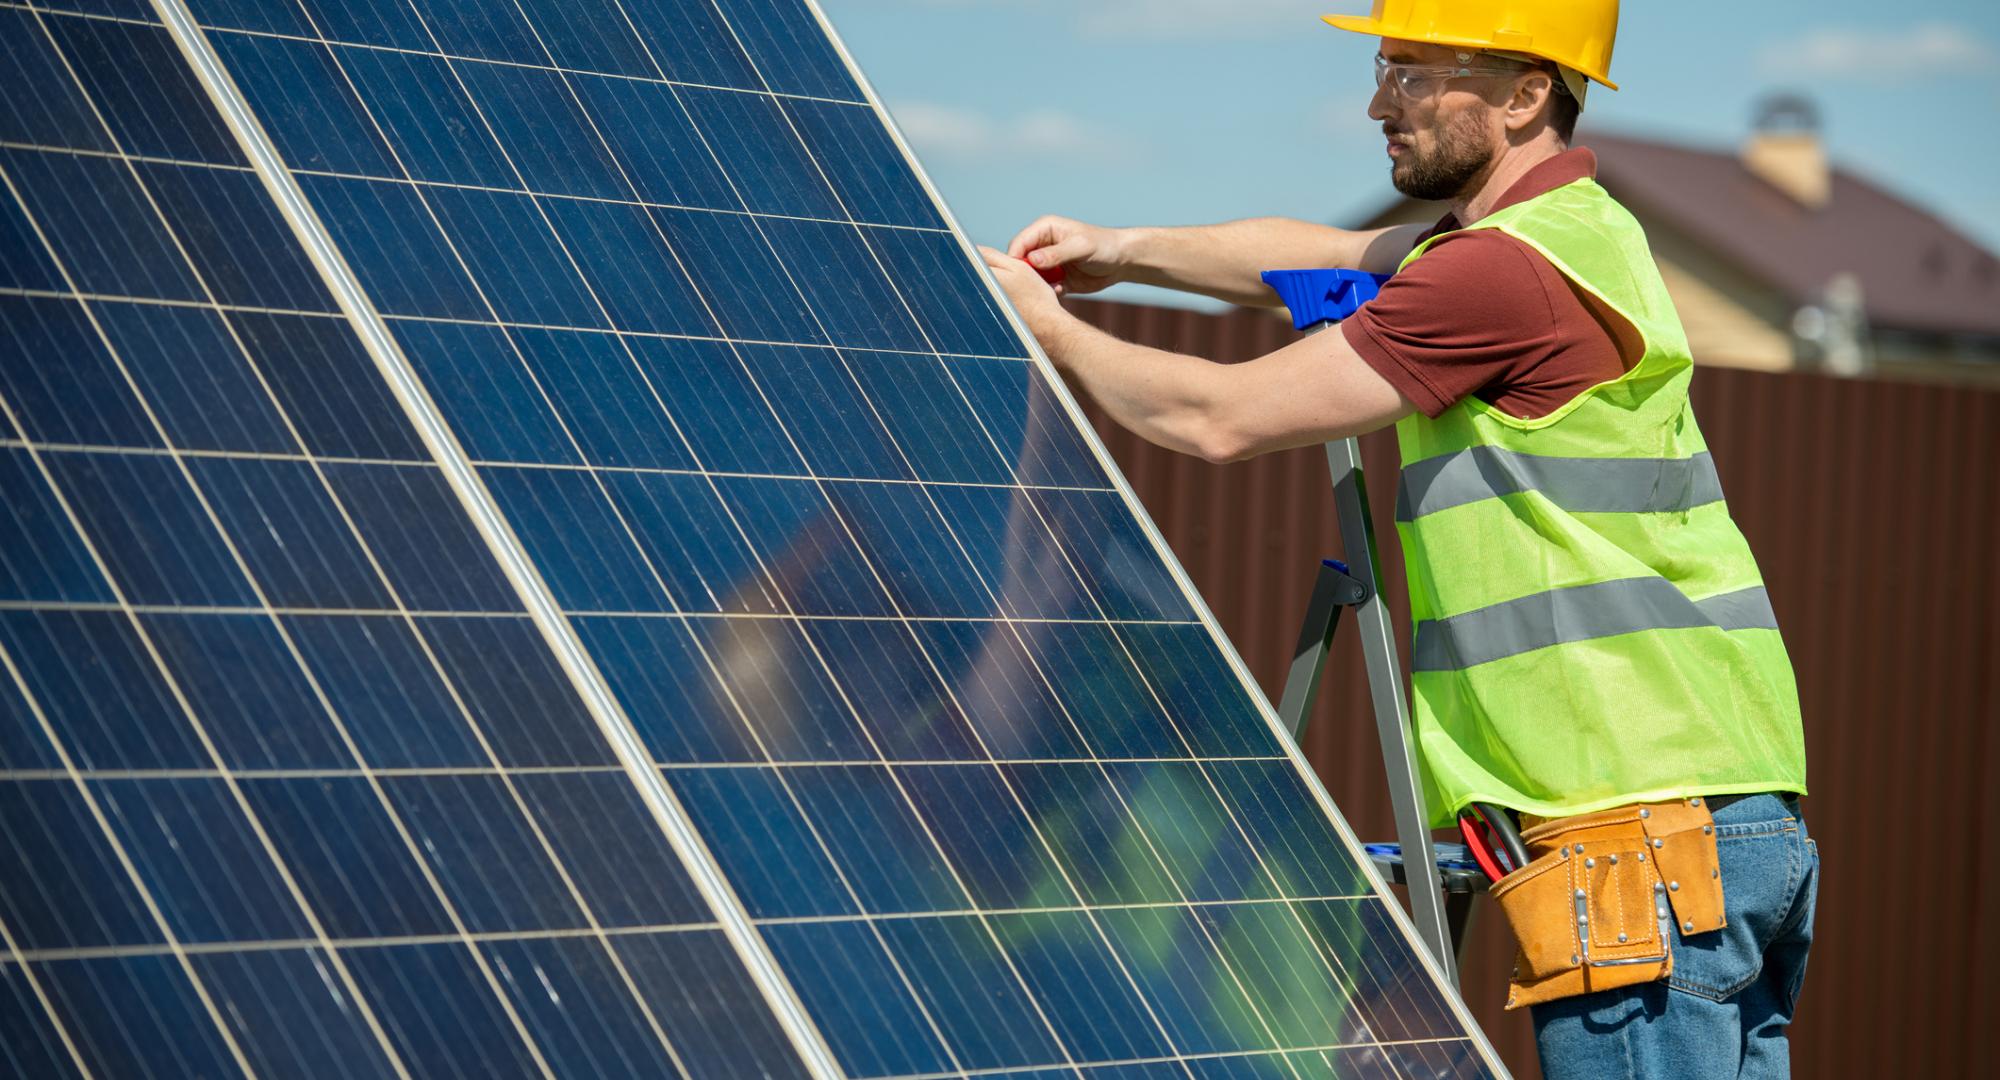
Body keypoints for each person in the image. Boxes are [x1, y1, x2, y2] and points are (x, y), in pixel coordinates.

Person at [977, 2, 1816, 1077]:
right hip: (1726, 810)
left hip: (1632, 824)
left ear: (1523, 93)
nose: (1379, 100)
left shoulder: (1494, 278)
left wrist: (1046, 326)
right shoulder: (1568, 235)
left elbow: (1215, 419)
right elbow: (1323, 251)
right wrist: (1121, 252)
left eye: (1416, 72)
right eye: (1384, 66)